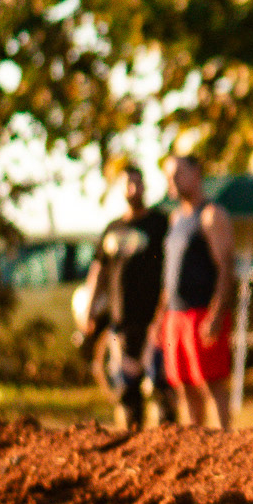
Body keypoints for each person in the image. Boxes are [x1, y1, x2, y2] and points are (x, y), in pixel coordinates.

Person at [80, 166, 176, 430]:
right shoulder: (112, 228)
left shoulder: (159, 223)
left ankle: (169, 443)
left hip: (156, 320)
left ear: (144, 186)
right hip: (121, 322)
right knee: (126, 390)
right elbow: (98, 270)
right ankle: (133, 441)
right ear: (119, 189)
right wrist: (89, 307)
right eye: (127, 184)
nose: (133, 189)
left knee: (161, 388)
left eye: (137, 183)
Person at [148, 154, 236, 430]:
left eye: (177, 174)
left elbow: (226, 267)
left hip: (202, 312)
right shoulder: (176, 218)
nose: (171, 181)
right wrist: (160, 317)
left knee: (211, 383)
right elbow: (170, 275)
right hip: (175, 315)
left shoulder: (211, 215)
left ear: (196, 174)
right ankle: (197, 442)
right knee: (182, 384)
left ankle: (226, 440)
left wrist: (217, 313)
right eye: (167, 176)